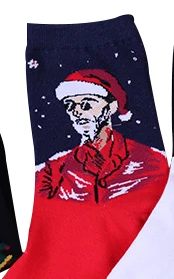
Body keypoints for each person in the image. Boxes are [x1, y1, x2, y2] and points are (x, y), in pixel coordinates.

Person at [38, 68, 167, 204]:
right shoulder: (53, 169)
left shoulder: (152, 161)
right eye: (70, 106)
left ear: (111, 107)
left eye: (86, 104)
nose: (76, 112)